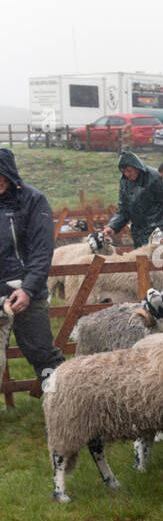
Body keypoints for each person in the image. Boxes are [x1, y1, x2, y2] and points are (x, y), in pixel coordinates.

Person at [0, 148, 63, 380]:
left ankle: (62, 407)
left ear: (10, 173)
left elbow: (42, 251)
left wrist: (28, 289)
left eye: (2, 175)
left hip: (26, 293)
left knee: (43, 356)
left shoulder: (33, 201)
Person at [104, 151, 163, 248]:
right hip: (138, 232)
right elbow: (123, 209)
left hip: (157, 229)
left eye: (129, 170)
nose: (127, 174)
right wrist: (113, 226)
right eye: (123, 171)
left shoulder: (154, 178)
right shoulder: (125, 182)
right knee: (141, 261)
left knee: (160, 260)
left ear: (137, 166)